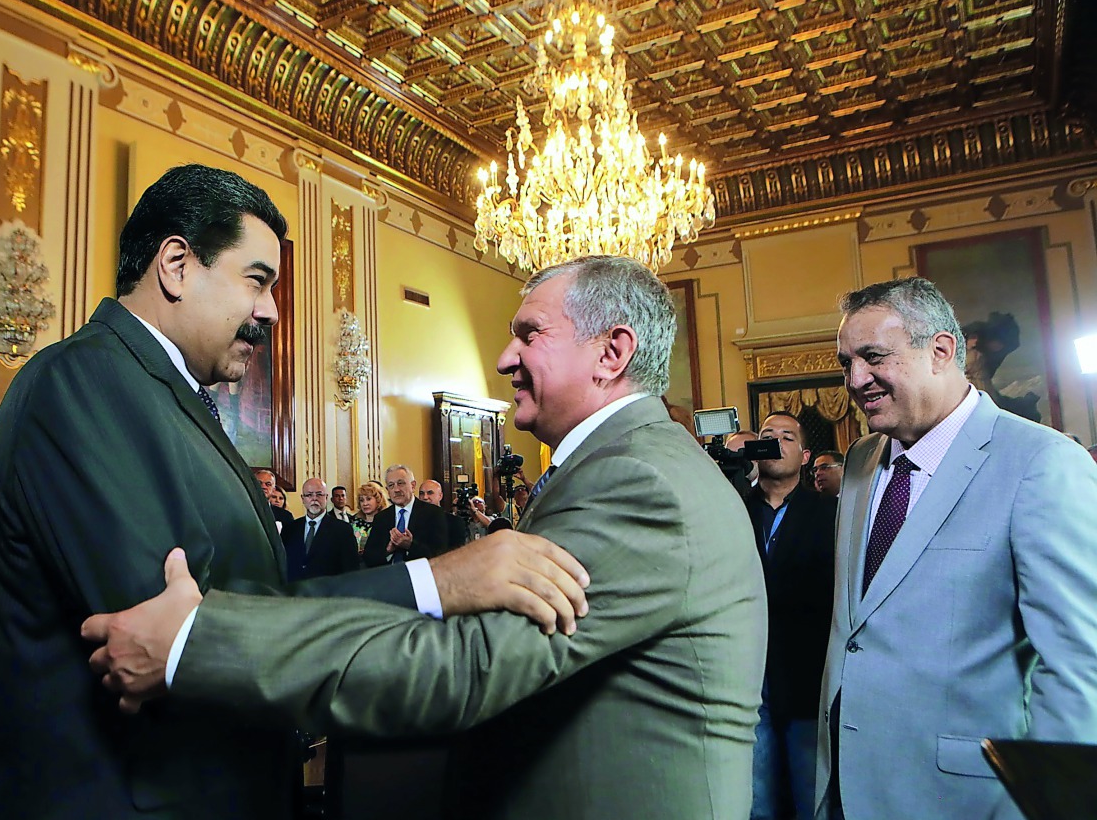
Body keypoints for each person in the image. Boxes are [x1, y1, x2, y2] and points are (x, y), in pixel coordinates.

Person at [0, 164, 588, 820]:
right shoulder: (85, 383)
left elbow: (238, 609)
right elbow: (170, 634)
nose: (270, 311)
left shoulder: (166, 395)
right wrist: (441, 584)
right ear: (177, 264)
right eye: (257, 282)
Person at [85, 254, 767, 820]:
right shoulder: (621, 467)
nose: (505, 358)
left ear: (612, 352)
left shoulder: (639, 481)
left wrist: (195, 642)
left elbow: (462, 667)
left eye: (529, 334)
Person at [818, 277, 1097, 820]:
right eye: (846, 362)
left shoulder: (1041, 462)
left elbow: (1079, 664)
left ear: (942, 351)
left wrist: (1044, 802)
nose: (855, 380)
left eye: (873, 357)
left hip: (972, 798)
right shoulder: (859, 460)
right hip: (848, 786)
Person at [745, 413, 836, 820]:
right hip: (748, 675)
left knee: (809, 796)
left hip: (805, 675)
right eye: (767, 436)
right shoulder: (733, 507)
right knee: (757, 800)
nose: (775, 442)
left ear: (804, 455)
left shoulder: (829, 513)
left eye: (786, 437)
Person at [362, 465, 449, 566]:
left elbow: (440, 554)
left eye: (401, 483)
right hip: (389, 577)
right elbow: (368, 557)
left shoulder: (433, 513)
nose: (396, 490)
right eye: (391, 485)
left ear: (413, 485)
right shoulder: (381, 517)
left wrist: (410, 545)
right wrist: (388, 551)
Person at [282, 478, 359, 580]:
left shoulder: (342, 529)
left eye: (319, 494)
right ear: (303, 499)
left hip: (327, 592)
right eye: (309, 495)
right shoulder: (290, 528)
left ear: (326, 497)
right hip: (294, 591)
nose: (314, 499)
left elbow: (351, 569)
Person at [351, 481, 386, 555]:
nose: (365, 503)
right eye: (361, 500)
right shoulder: (353, 522)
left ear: (378, 500)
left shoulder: (386, 522)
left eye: (368, 499)